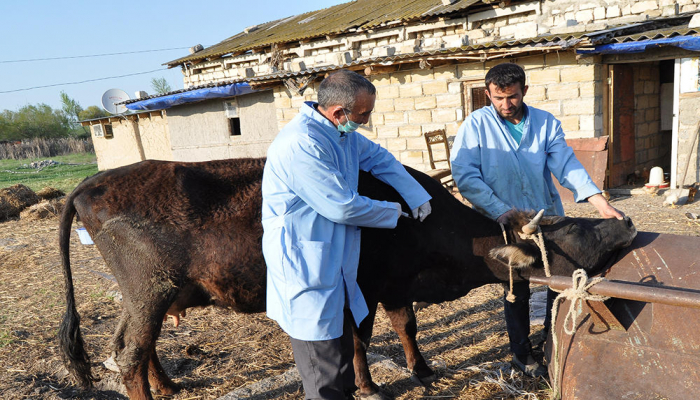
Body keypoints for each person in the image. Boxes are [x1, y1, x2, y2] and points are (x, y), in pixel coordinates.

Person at [261, 69, 432, 399]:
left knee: (341, 357)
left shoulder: (340, 134)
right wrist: (395, 212)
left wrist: (416, 193)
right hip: (306, 270)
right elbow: (342, 207)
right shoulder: (302, 143)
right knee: (323, 372)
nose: (365, 121)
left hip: (332, 263)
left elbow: (378, 158)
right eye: (363, 114)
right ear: (339, 112)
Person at [449, 63, 624, 378]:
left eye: (512, 97)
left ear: (524, 91)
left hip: (546, 217)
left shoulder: (545, 123)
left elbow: (566, 165)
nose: (506, 104)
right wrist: (498, 209)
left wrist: (599, 202)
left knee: (559, 280)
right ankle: (521, 352)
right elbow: (466, 175)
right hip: (502, 220)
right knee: (515, 286)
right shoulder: (475, 125)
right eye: (498, 98)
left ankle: (552, 342)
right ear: (487, 94)